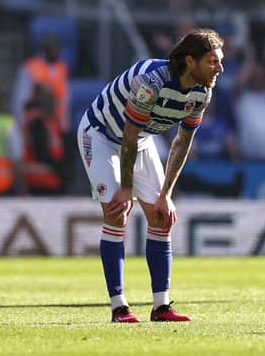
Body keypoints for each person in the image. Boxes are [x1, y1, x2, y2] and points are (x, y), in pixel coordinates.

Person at [76, 28, 224, 322]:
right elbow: (128, 135)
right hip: (101, 135)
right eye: (212, 61)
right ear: (190, 61)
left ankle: (162, 306)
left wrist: (166, 195)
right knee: (117, 213)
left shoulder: (201, 92)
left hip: (140, 141)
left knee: (160, 217)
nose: (219, 68)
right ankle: (119, 308)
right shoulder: (151, 82)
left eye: (220, 61)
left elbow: (182, 141)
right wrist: (126, 188)